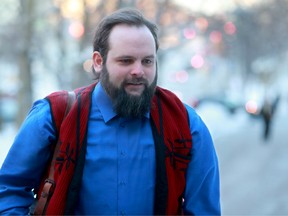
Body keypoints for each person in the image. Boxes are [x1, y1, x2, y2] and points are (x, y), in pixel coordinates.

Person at [0, 8, 221, 215]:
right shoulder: (55, 115)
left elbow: (204, 210)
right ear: (98, 62)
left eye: (147, 61)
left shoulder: (187, 125)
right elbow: (8, 191)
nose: (138, 71)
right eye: (126, 61)